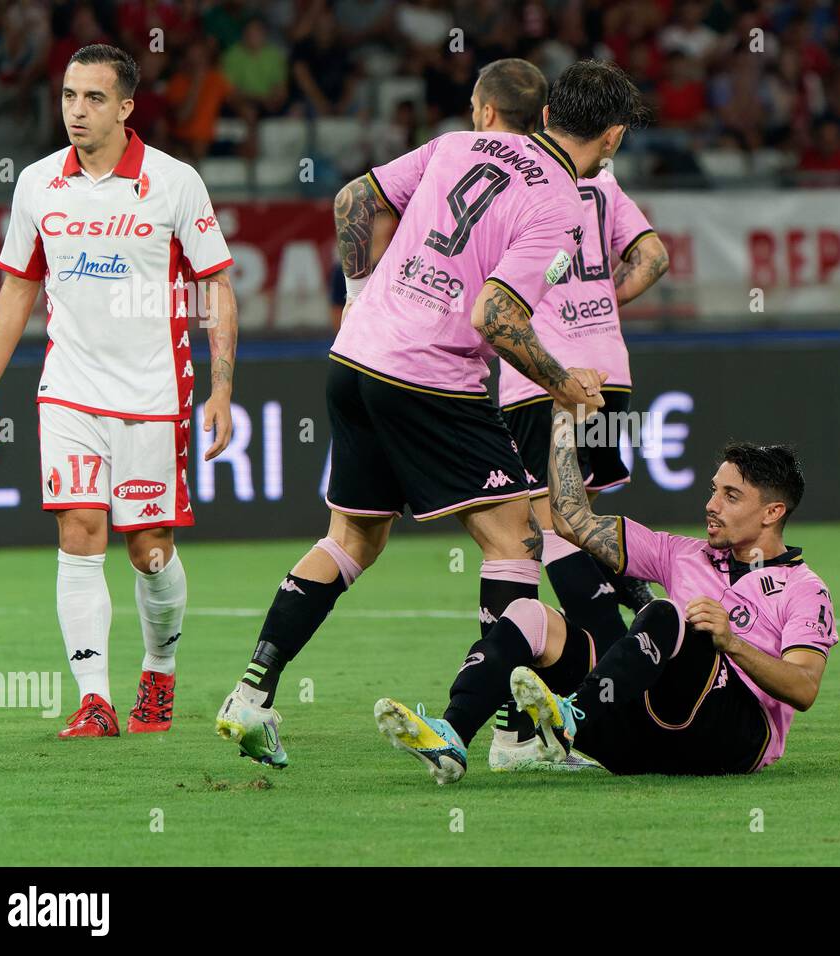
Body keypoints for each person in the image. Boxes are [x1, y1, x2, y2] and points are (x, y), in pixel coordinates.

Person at [215, 60, 647, 768]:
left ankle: (252, 694)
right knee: (516, 542)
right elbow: (494, 313)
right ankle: (502, 730)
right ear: (614, 138)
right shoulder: (563, 201)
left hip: (354, 358)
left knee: (352, 540)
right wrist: (562, 379)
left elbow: (354, 198)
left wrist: (361, 291)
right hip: (430, 374)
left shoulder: (455, 145)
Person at [0, 44, 238, 738]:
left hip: (152, 394)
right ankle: (94, 700)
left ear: (125, 107)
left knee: (149, 551)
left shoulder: (175, 183)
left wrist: (220, 388)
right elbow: (19, 285)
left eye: (92, 98)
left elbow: (217, 287)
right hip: (69, 390)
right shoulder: (37, 184)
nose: (76, 111)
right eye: (67, 97)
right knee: (78, 531)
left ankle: (159, 674)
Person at [374, 404, 838, 782]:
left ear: (773, 512)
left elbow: (804, 688)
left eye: (730, 497)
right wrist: (561, 422)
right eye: (714, 490)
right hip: (641, 739)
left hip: (733, 739)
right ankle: (452, 734)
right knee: (529, 617)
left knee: (668, 615)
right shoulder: (682, 553)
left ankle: (574, 716)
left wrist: (730, 642)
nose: (710, 505)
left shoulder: (804, 589)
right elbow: (571, 519)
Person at [467, 61, 670, 769]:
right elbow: (653, 255)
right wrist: (605, 303)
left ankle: (584, 700)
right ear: (611, 133)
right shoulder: (605, 183)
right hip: (609, 374)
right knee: (569, 526)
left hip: (543, 377)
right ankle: (631, 632)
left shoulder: (511, 173)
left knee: (544, 530)